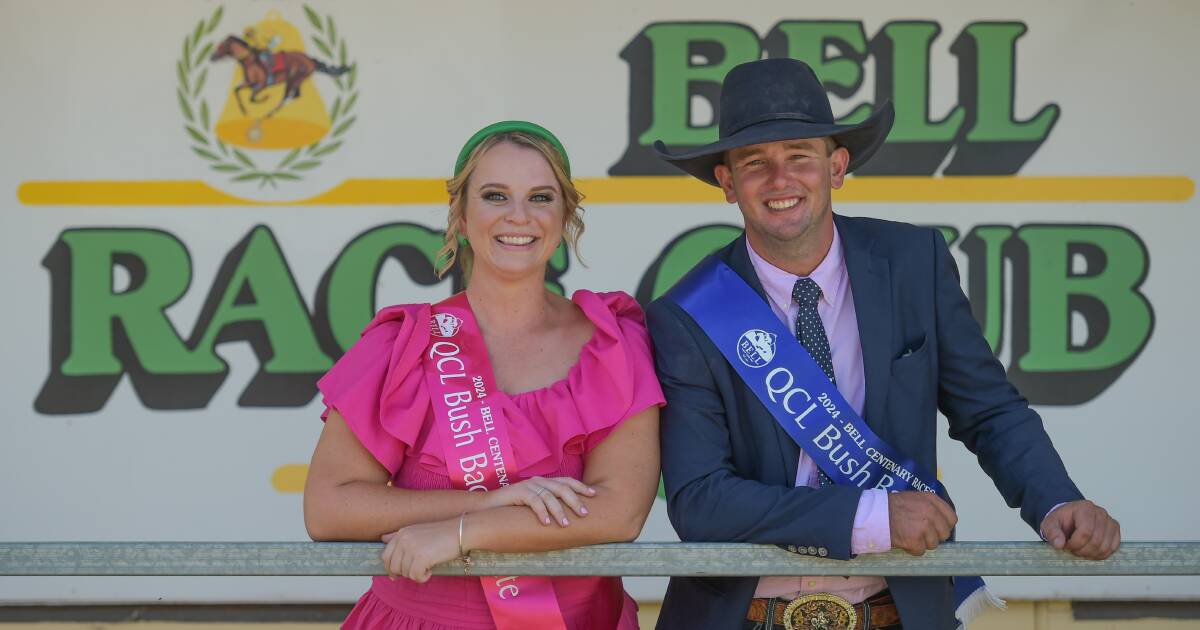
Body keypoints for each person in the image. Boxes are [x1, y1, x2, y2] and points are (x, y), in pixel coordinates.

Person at [646, 59, 1120, 630]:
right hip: (744, 615)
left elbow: (988, 409)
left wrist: (1057, 502)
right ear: (726, 183)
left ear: (837, 165)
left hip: (896, 612)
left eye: (800, 155)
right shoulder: (687, 313)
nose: (780, 179)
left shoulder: (913, 263)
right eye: (754, 164)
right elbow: (701, 502)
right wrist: (871, 517)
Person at [304, 120, 664, 629]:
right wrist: (492, 499)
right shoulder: (403, 346)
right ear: (460, 214)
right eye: (495, 195)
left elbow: (619, 513)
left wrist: (460, 532)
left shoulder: (612, 342)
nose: (519, 216)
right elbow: (328, 507)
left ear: (565, 218)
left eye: (541, 198)